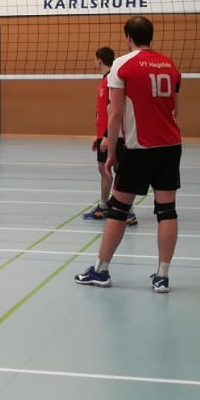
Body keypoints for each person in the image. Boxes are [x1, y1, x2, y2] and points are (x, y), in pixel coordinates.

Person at [74, 16, 181, 293]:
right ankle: (162, 276)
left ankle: (100, 271)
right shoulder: (169, 65)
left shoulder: (121, 65)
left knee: (118, 209)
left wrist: (111, 151)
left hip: (138, 148)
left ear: (128, 37)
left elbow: (115, 112)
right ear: (150, 36)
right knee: (167, 211)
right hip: (170, 146)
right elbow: (174, 109)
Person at [83, 46, 138, 225]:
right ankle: (106, 206)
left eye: (95, 58)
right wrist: (98, 135)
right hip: (105, 134)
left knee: (115, 170)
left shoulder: (111, 79)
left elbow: (114, 109)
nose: (94, 61)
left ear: (99, 60)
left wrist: (107, 136)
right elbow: (103, 110)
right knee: (105, 169)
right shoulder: (105, 79)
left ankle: (126, 210)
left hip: (115, 135)